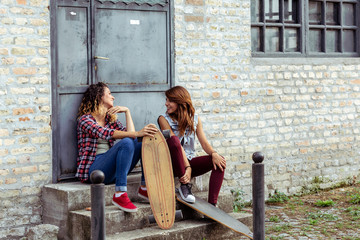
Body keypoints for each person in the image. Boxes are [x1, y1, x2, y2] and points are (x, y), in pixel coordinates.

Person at [76, 82, 158, 213]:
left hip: (110, 170)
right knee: (126, 142)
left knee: (140, 142)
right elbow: (105, 133)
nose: (113, 97)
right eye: (109, 93)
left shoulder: (109, 119)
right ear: (99, 96)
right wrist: (137, 133)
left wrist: (127, 112)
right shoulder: (85, 120)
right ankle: (120, 194)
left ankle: (144, 187)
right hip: (95, 169)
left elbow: (132, 137)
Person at [158, 86, 226, 205]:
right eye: (166, 100)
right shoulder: (163, 119)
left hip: (187, 163)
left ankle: (212, 204)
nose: (166, 104)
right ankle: (184, 186)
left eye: (170, 101)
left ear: (180, 102)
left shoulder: (194, 119)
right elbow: (177, 146)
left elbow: (204, 142)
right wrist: (188, 168)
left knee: (220, 161)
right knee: (174, 141)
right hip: (171, 165)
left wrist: (214, 154)